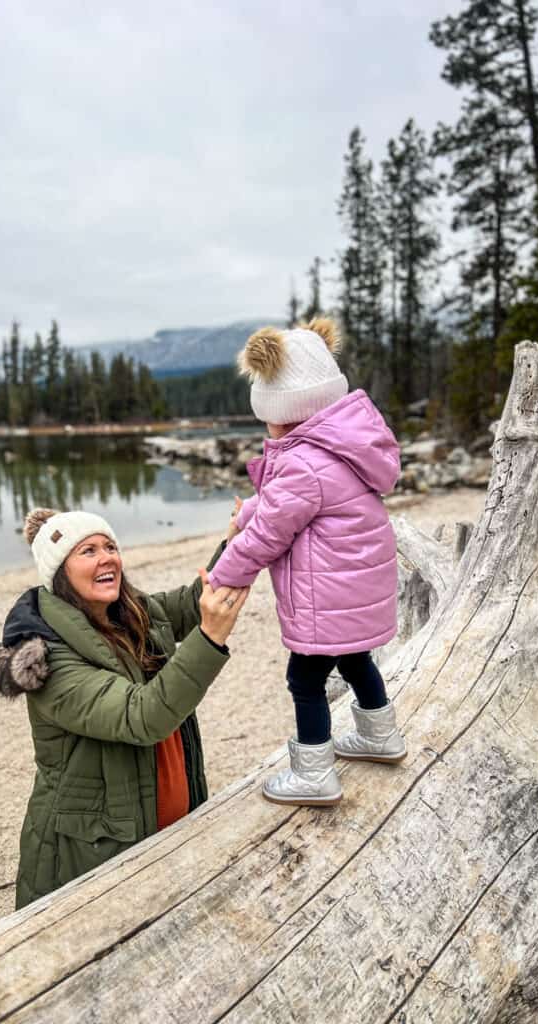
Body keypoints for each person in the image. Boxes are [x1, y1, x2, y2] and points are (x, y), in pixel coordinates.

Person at [0, 507, 249, 909]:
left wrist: (238, 545)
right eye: (88, 551)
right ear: (60, 573)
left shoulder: (126, 612)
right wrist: (211, 638)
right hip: (94, 845)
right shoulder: (49, 660)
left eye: (109, 545)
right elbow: (142, 716)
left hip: (160, 819)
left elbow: (188, 602)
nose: (106, 557)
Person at [209, 318, 406, 807]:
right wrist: (254, 506)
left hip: (327, 596)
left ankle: (315, 773)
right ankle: (382, 736)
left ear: (283, 410)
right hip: (355, 591)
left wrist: (222, 576)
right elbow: (301, 502)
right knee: (356, 658)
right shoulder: (337, 446)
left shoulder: (300, 462)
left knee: (305, 678)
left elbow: (268, 535)